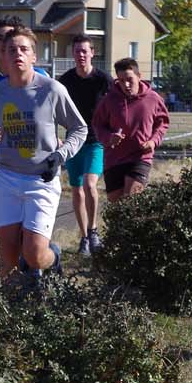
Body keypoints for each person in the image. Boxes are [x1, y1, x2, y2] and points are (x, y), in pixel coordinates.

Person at [0, 24, 89, 287]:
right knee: (8, 256)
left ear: (34, 56)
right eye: (12, 50)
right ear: (3, 56)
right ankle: (9, 313)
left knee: (33, 254)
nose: (17, 54)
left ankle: (53, 258)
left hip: (41, 179)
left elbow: (79, 129)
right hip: (6, 177)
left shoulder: (51, 90)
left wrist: (60, 155)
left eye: (24, 49)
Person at [0, 18, 50, 201]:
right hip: (1, 160)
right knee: (6, 225)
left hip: (35, 161)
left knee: (32, 226)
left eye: (10, 37)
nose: (6, 43)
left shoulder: (41, 78)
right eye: (0, 38)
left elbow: (53, 117)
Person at [56, 36, 111, 254]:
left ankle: (94, 230)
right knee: (76, 189)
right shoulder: (65, 80)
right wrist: (56, 136)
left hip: (96, 140)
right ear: (73, 54)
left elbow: (116, 106)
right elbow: (52, 108)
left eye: (84, 51)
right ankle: (84, 237)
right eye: (77, 51)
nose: (81, 55)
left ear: (92, 53)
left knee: (90, 184)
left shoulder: (103, 80)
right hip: (73, 141)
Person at [91, 57, 170, 203]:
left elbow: (162, 123)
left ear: (139, 76)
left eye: (129, 79)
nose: (126, 85)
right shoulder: (109, 100)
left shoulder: (153, 99)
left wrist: (153, 142)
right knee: (116, 207)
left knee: (131, 201)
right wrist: (109, 137)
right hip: (114, 159)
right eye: (121, 81)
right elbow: (97, 125)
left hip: (140, 157)